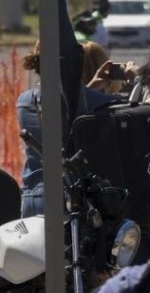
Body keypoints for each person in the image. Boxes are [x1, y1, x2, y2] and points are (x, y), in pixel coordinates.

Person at [16, 41, 134, 217]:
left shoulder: (24, 101)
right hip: (72, 202)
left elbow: (67, 107)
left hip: (33, 198)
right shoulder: (100, 103)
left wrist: (91, 88)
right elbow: (137, 109)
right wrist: (137, 77)